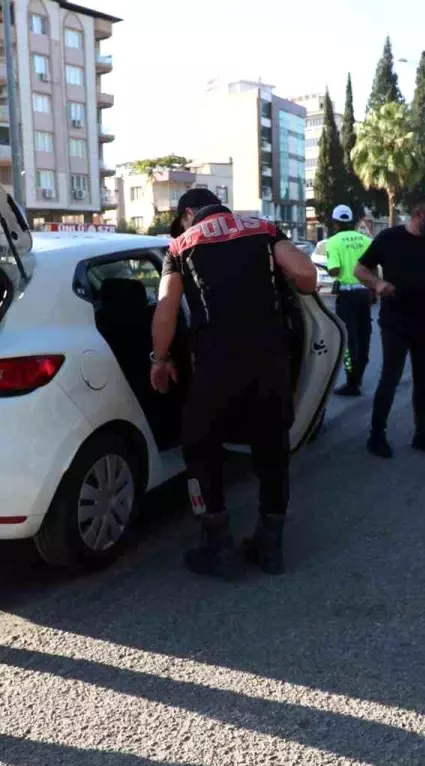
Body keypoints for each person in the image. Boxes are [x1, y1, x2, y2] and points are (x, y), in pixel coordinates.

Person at [151, 188, 318, 578]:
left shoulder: (181, 245)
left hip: (215, 365)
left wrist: (159, 360)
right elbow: (308, 276)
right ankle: (270, 545)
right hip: (270, 362)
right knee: (272, 446)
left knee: (199, 445)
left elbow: (166, 310)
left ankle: (217, 544)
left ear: (189, 212)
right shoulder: (263, 228)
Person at [353, 195, 425, 459]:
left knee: (424, 382)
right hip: (396, 323)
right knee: (389, 379)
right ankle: (376, 435)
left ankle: (421, 435)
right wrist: (378, 285)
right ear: (419, 214)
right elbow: (360, 269)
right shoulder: (389, 238)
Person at [325, 204, 374, 396]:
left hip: (347, 296)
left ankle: (351, 382)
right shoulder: (365, 239)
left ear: (336, 223)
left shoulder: (334, 241)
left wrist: (330, 267)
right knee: (364, 336)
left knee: (347, 338)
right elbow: (374, 267)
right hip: (365, 293)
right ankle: (359, 378)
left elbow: (335, 270)